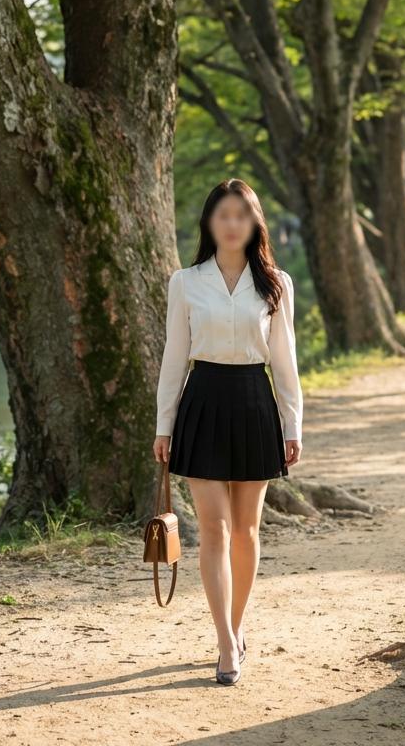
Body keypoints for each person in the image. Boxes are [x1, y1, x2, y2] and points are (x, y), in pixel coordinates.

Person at [152, 178, 304, 686]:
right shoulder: (186, 281)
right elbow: (175, 356)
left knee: (247, 529)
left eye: (242, 214)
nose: (233, 223)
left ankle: (237, 627)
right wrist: (163, 424)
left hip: (255, 403)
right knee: (213, 529)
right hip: (202, 401)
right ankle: (224, 643)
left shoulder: (276, 283)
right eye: (223, 214)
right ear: (210, 223)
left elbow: (285, 360)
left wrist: (292, 424)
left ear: (254, 221)